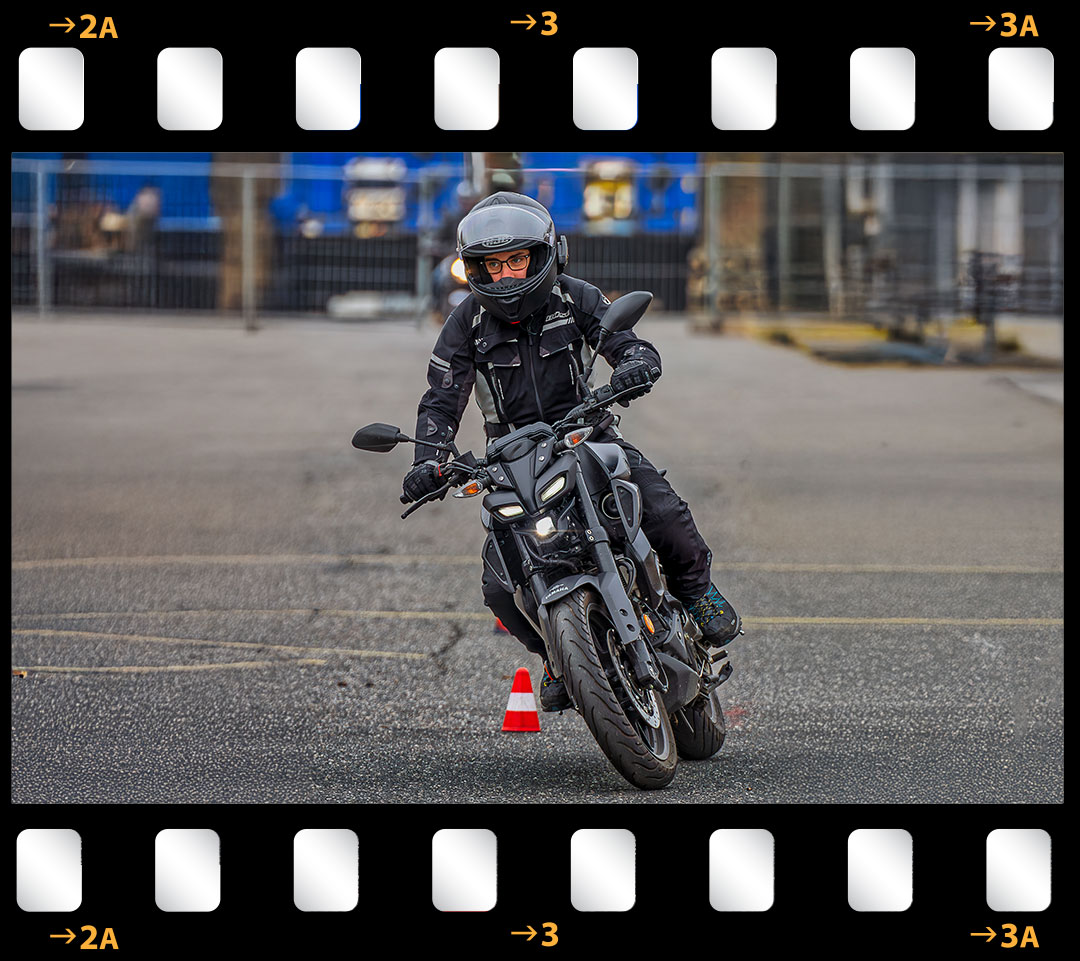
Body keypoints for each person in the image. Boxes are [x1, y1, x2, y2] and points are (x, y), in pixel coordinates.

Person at [402, 192, 740, 711]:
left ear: (545, 255)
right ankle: (558, 655)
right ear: (475, 269)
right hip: (512, 459)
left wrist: (635, 363)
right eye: (494, 265)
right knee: (499, 583)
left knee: (662, 509)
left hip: (587, 435)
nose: (508, 275)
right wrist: (429, 459)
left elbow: (626, 340)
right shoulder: (465, 323)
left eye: (518, 260)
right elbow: (441, 398)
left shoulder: (574, 297)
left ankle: (698, 594)